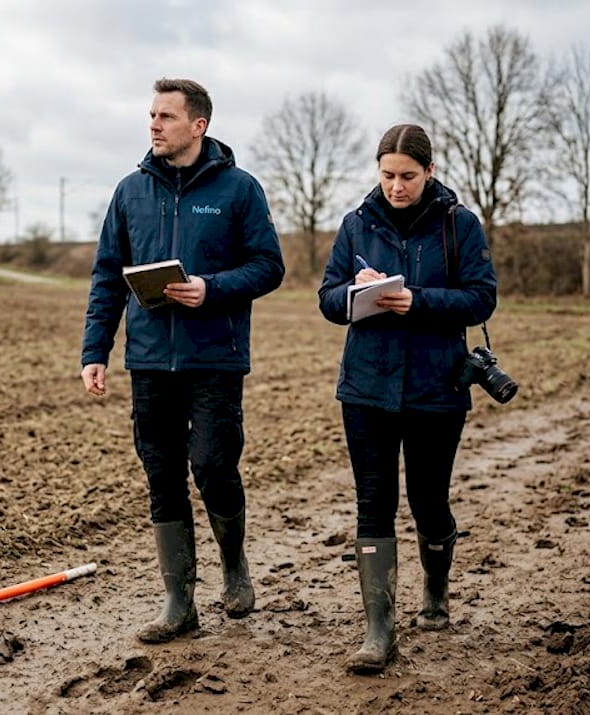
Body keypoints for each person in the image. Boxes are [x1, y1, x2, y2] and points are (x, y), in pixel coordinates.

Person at [80, 78, 285, 643]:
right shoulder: (130, 191)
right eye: (151, 115)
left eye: (166, 116)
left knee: (214, 466)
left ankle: (235, 565)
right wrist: (95, 351)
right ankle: (179, 602)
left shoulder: (240, 189)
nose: (154, 125)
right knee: (162, 476)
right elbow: (106, 276)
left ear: (199, 125)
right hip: (148, 363)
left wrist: (210, 288)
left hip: (215, 359)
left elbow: (269, 266)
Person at [317, 123, 497, 673]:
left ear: (430, 172)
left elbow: (481, 298)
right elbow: (327, 299)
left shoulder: (459, 225)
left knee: (427, 500)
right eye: (388, 175)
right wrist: (356, 293)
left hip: (436, 389)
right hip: (366, 388)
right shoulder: (355, 225)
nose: (396, 186)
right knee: (373, 502)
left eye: (408, 177)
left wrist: (414, 300)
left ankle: (436, 594)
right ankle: (379, 632)